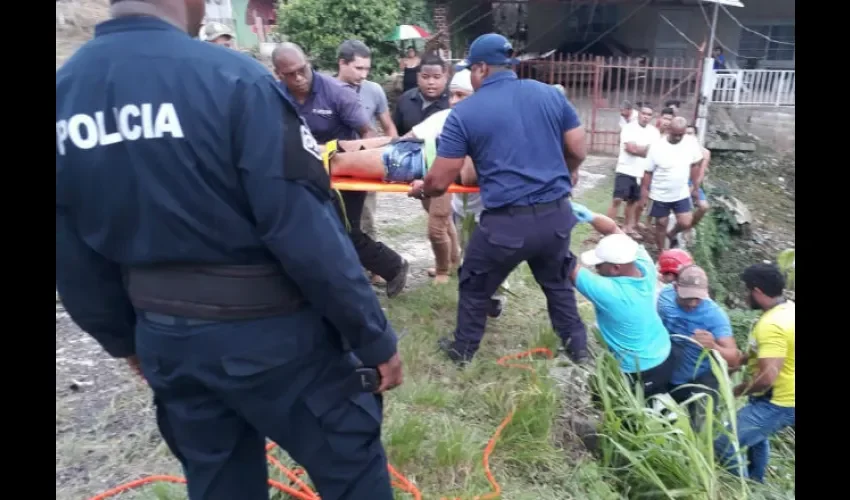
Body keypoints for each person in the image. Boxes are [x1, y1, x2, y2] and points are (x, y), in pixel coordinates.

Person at [56, 2, 402, 500]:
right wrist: (372, 337)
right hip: (276, 338)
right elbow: (305, 232)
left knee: (219, 482)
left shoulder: (66, 94)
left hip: (167, 339)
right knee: (352, 467)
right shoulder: (232, 79)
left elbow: (71, 255)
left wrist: (126, 342)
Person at [410, 33, 588, 364]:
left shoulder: (465, 113)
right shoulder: (550, 95)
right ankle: (579, 351)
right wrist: (567, 172)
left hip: (507, 225)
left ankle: (462, 352)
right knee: (557, 285)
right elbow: (578, 148)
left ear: (480, 69)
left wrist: (423, 188)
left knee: (475, 284)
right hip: (555, 217)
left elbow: (441, 178)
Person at [274, 42, 409, 297]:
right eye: (290, 74)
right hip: (304, 174)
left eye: (302, 69)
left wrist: (368, 172)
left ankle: (392, 266)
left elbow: (368, 134)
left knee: (344, 232)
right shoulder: (275, 95)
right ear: (279, 74)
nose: (299, 77)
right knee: (306, 229)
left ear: (308, 62)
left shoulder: (337, 93)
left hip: (344, 174)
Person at [568, 203, 673, 398]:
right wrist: (590, 215)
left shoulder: (610, 293)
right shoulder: (643, 264)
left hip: (638, 371)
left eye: (600, 265)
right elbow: (613, 230)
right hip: (664, 353)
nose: (596, 269)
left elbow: (566, 264)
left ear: (615, 268)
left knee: (629, 418)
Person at [714, 264, 795, 483]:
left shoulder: (772, 324)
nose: (744, 294)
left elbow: (768, 377)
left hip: (778, 401)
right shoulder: (788, 310)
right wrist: (740, 361)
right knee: (757, 438)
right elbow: (763, 350)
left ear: (757, 291)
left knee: (724, 444)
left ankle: (741, 490)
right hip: (779, 396)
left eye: (746, 289)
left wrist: (738, 390)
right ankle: (755, 482)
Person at [336, 39, 399, 282]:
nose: (363, 74)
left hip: (364, 166)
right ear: (342, 63)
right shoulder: (326, 89)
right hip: (333, 165)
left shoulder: (374, 90)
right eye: (358, 68)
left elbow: (388, 126)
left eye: (366, 69)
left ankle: (376, 269)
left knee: (366, 218)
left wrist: (395, 160)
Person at [657, 266, 738, 428]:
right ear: (675, 287)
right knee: (663, 424)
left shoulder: (715, 316)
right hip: (668, 371)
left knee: (701, 430)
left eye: (698, 298)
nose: (693, 303)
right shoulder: (665, 296)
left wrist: (713, 346)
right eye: (688, 298)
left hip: (701, 380)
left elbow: (734, 358)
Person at [641, 116, 703, 251]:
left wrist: (695, 186)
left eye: (681, 135)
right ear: (669, 130)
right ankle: (662, 251)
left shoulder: (691, 143)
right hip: (659, 193)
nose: (678, 138)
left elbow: (696, 164)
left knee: (686, 222)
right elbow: (647, 172)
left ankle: (672, 233)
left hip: (681, 192)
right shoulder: (657, 147)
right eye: (675, 134)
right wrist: (645, 191)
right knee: (661, 223)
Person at [608, 105, 659, 237]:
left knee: (633, 201)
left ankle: (627, 227)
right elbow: (631, 149)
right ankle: (608, 228)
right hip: (625, 168)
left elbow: (653, 152)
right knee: (617, 199)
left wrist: (641, 149)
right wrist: (645, 149)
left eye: (649, 114)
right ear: (639, 114)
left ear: (651, 117)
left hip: (641, 171)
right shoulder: (629, 128)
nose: (645, 116)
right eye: (643, 113)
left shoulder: (654, 132)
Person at [393, 54, 450, 136]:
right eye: (425, 77)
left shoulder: (453, 102)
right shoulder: (405, 99)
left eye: (436, 77)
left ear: (445, 78)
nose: (431, 82)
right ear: (418, 77)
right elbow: (395, 131)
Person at [685, 124, 711, 229]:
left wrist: (694, 188)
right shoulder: (679, 149)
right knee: (685, 205)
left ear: (695, 135)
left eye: (690, 134)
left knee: (704, 207)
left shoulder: (704, 152)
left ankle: (690, 227)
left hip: (693, 182)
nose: (688, 136)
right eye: (686, 134)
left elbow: (701, 173)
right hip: (679, 181)